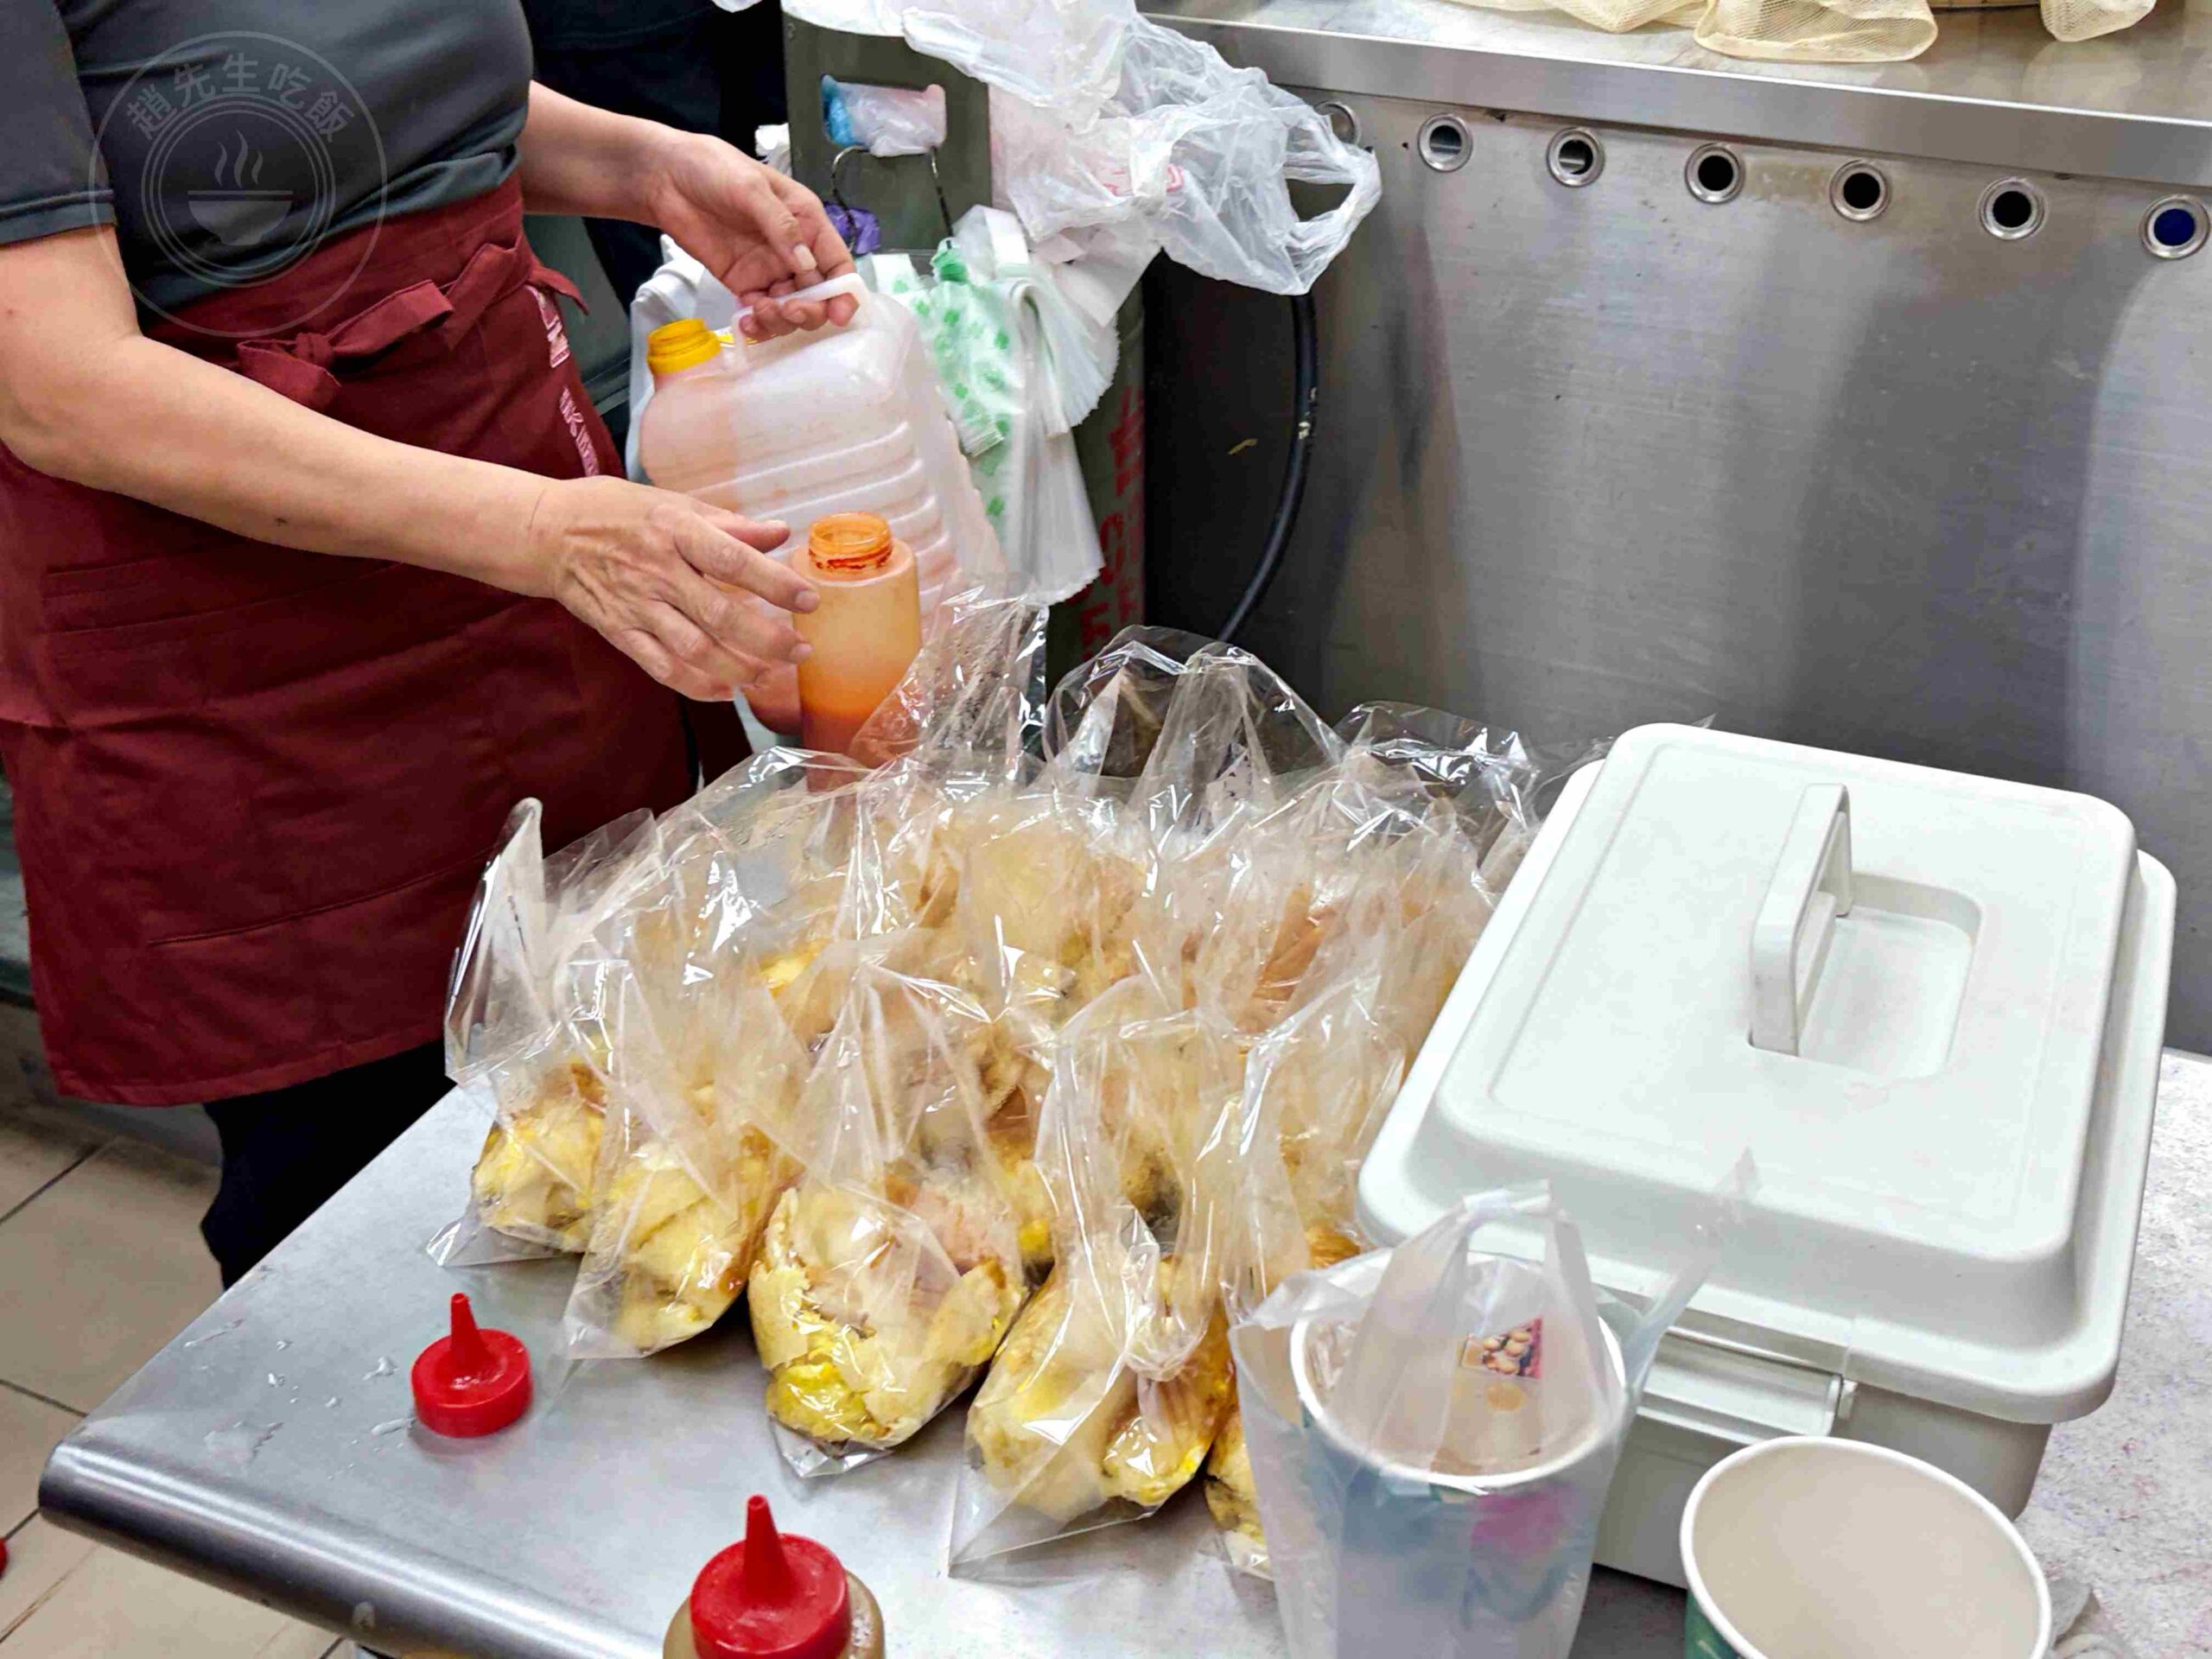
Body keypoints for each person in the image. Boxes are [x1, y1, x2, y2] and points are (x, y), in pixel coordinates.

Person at [0, 3, 856, 1286]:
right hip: (258, 660)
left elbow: (341, 97)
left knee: (629, 1104)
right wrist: (543, 535)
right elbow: (54, 378)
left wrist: (642, 166)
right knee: (378, 1217)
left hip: (517, 539)